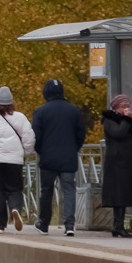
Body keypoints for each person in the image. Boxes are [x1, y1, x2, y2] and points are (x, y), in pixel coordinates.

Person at [30, 78, 86, 236]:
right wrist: (74, 148)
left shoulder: (40, 112)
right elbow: (81, 134)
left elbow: (36, 136)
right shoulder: (74, 111)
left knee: (46, 191)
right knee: (69, 189)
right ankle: (69, 225)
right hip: (68, 158)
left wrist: (41, 151)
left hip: (48, 159)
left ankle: (44, 224)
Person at [0, 86, 35, 232]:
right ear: (11, 103)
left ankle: (0, 225)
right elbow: (29, 139)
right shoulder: (21, 117)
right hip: (14, 161)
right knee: (15, 189)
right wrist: (25, 153)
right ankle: (15, 208)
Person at [100, 94, 132, 238]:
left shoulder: (125, 120)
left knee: (123, 194)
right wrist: (127, 119)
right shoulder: (110, 120)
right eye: (123, 106)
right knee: (118, 194)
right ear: (116, 107)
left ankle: (118, 225)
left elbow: (128, 138)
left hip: (125, 161)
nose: (127, 109)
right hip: (116, 161)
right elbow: (118, 134)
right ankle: (117, 226)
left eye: (128, 106)